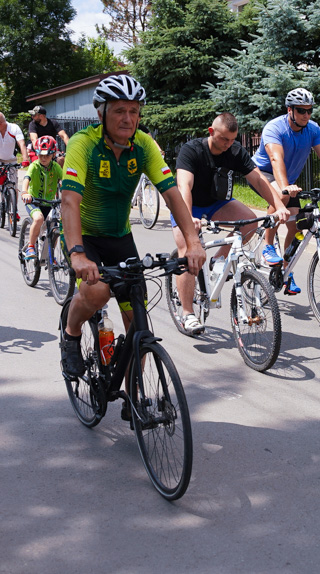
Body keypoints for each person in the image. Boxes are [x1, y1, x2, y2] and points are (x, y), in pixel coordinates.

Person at [59, 75, 205, 395]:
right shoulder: (83, 143)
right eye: (119, 110)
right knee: (96, 293)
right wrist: (77, 254)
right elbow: (69, 200)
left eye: (134, 111)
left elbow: (171, 194)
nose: (128, 118)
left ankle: (133, 398)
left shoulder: (143, 146)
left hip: (120, 238)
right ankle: (70, 333)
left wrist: (193, 242)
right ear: (101, 113)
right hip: (84, 237)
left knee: (138, 323)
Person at [172, 112, 290, 335]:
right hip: (187, 205)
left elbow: (257, 178)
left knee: (250, 223)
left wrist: (280, 206)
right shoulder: (192, 150)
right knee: (188, 250)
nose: (228, 145)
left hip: (216, 203)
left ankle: (219, 258)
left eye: (232, 140)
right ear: (211, 132)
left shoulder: (235, 150)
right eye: (223, 139)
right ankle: (187, 313)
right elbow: (183, 187)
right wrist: (188, 219)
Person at [251, 88, 320, 295]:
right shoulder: (275, 127)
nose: (306, 115)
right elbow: (275, 160)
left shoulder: (313, 129)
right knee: (280, 195)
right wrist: (284, 186)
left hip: (286, 180)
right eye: (301, 111)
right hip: (262, 173)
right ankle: (267, 246)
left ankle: (285, 270)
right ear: (290, 110)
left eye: (309, 111)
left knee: (296, 226)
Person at [21, 136, 63, 259]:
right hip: (33, 201)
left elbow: (64, 180)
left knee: (55, 227)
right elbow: (26, 178)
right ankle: (30, 247)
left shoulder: (56, 167)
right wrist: (24, 192)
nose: (43, 159)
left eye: (47, 156)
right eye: (41, 156)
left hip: (49, 203)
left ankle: (50, 256)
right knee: (39, 219)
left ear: (53, 154)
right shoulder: (35, 166)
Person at [0, 112, 29, 205]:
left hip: (11, 159)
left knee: (13, 186)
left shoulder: (14, 128)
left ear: (0, 123)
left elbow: (22, 144)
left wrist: (25, 159)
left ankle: (14, 211)